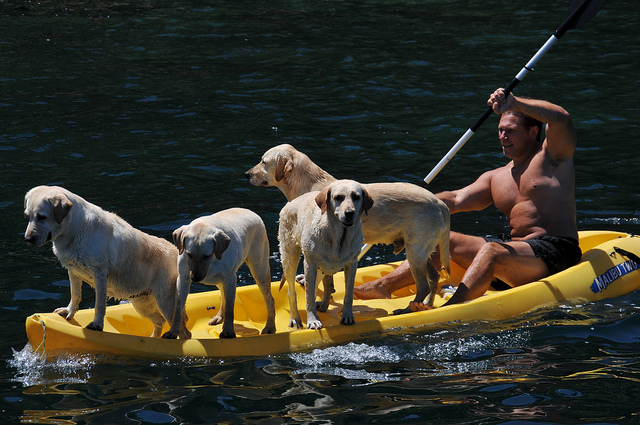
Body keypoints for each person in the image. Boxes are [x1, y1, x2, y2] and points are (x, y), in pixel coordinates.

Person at [354, 88, 582, 308]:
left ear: (532, 132)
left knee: (492, 250)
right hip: (517, 253)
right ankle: (383, 286)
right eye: (500, 130)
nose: (503, 137)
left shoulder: (552, 157)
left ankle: (452, 308)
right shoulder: (496, 177)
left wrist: (514, 103)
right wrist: (407, 204)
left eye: (510, 131)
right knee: (441, 239)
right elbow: (455, 199)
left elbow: (562, 118)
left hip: (556, 251)